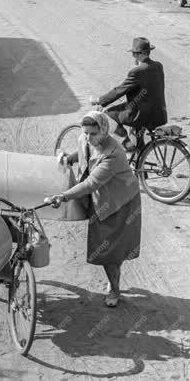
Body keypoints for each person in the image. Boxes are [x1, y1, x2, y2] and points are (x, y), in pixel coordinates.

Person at [45, 111, 141, 308]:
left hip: (119, 203)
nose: (88, 138)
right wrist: (69, 158)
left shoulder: (113, 153)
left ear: (104, 131)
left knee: (109, 251)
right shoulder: (86, 139)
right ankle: (114, 277)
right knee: (110, 249)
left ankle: (114, 289)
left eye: (93, 134)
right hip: (102, 200)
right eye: (86, 133)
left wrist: (63, 196)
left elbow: (91, 183)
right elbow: (83, 151)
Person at [94, 37, 167, 151]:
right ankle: (139, 160)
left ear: (140, 54)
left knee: (108, 115)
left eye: (134, 54)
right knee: (138, 134)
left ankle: (127, 144)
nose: (133, 57)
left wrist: (100, 100)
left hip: (141, 115)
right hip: (158, 113)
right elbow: (149, 88)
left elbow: (120, 89)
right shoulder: (158, 66)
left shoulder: (137, 71)